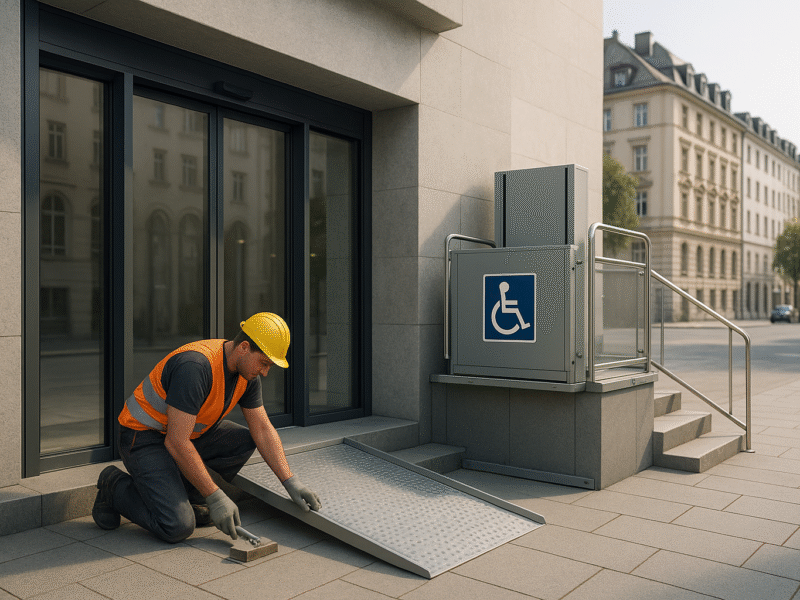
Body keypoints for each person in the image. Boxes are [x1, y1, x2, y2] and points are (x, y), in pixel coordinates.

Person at [91, 312, 321, 543]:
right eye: (264, 363)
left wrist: (290, 481)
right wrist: (214, 496)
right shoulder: (195, 367)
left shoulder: (246, 375)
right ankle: (114, 485)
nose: (265, 372)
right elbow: (176, 442)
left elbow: (262, 429)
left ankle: (183, 491)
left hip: (187, 435)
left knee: (246, 441)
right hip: (143, 438)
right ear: (243, 347)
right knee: (178, 525)